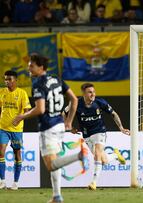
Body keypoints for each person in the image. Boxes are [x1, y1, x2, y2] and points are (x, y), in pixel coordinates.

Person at [12, 54, 88, 203]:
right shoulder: (57, 79)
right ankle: (56, 196)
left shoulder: (38, 84)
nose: (29, 68)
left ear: (41, 67)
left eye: (31, 65)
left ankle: (79, 156)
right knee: (56, 161)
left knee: (51, 165)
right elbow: (73, 99)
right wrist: (69, 122)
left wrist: (22, 116)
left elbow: (40, 109)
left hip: (48, 127)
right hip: (60, 125)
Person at [64, 83, 130, 191]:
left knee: (98, 154)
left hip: (100, 131)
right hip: (87, 135)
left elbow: (113, 113)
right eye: (90, 92)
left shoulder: (100, 102)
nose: (92, 94)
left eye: (93, 92)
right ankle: (115, 155)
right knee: (103, 160)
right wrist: (69, 127)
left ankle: (94, 182)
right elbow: (64, 113)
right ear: (84, 94)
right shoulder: (76, 103)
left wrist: (121, 128)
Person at [0, 71, 31, 190]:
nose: (7, 81)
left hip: (17, 130)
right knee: (1, 151)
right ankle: (2, 181)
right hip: (3, 128)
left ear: (15, 80)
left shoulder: (22, 93)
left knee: (17, 154)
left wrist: (20, 118)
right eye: (5, 79)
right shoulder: (2, 92)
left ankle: (15, 183)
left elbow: (27, 110)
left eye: (9, 79)